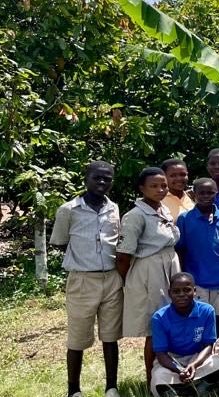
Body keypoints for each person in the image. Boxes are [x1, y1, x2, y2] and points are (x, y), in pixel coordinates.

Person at [51, 161, 123, 397]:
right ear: (86, 179)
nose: (102, 182)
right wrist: (85, 261)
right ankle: (74, 390)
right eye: (97, 178)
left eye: (107, 178)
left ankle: (111, 386)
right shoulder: (68, 210)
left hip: (112, 279)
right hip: (82, 280)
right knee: (78, 336)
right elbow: (61, 242)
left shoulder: (114, 208)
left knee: (111, 336)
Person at [116, 167, 182, 385]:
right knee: (155, 326)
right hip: (149, 271)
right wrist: (128, 280)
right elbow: (124, 254)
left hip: (170, 266)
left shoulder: (163, 209)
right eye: (153, 186)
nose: (160, 189)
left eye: (163, 185)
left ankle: (172, 372)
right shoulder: (135, 216)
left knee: (172, 320)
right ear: (141, 189)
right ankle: (150, 378)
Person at [149, 272, 219, 397]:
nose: (182, 295)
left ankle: (188, 390)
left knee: (218, 364)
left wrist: (194, 365)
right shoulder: (159, 317)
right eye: (176, 291)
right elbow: (161, 354)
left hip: (197, 358)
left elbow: (208, 345)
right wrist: (180, 370)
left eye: (187, 290)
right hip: (171, 360)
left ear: (194, 291)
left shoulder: (207, 310)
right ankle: (191, 388)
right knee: (158, 379)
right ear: (170, 293)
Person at [176, 178, 219, 317]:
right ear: (193, 194)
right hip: (197, 280)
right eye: (201, 193)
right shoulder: (185, 219)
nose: (206, 196)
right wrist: (183, 276)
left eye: (210, 193)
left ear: (216, 194)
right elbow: (180, 250)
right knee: (199, 317)